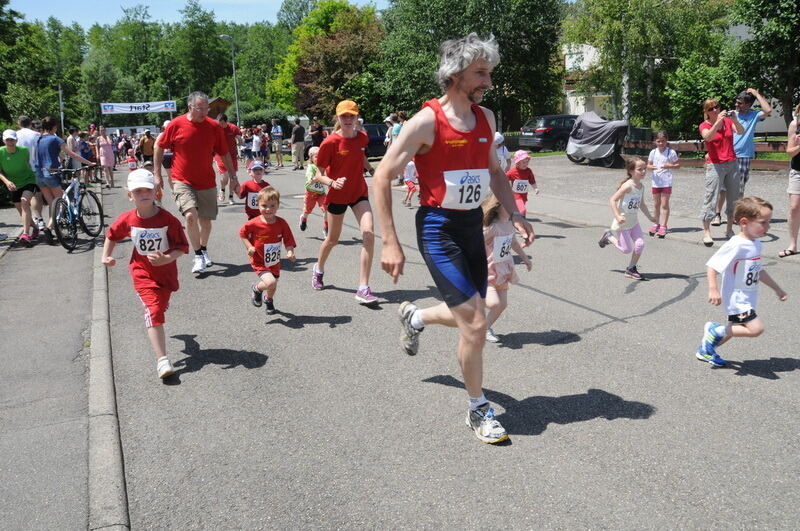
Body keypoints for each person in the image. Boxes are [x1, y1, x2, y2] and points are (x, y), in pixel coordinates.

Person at [373, 33, 535, 444]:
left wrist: (514, 213)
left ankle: (417, 316)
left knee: (472, 312)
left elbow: (496, 173)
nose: (489, 81)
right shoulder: (426, 121)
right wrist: (389, 241)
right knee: (477, 321)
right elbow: (381, 177)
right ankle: (478, 408)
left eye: (490, 73)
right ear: (455, 72)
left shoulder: (487, 118)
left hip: (471, 227)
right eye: (481, 72)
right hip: (437, 227)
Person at [102, 169, 189, 379]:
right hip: (142, 273)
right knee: (154, 311)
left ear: (156, 192)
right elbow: (111, 235)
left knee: (160, 305)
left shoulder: (168, 220)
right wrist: (106, 257)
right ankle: (162, 361)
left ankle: (175, 327)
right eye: (137, 190)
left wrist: (167, 259)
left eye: (147, 189)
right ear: (130, 195)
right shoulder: (128, 219)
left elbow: (182, 246)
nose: (143, 194)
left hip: (166, 275)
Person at [696, 196, 787, 367]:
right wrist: (713, 289)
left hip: (748, 297)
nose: (768, 226)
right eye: (763, 222)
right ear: (744, 222)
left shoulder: (756, 243)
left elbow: (758, 270)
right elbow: (712, 266)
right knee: (756, 329)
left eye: (769, 222)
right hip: (737, 299)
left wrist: (777, 289)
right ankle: (714, 330)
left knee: (732, 330)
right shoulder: (736, 244)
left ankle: (705, 350)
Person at [154, 91, 238, 274]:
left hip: (206, 181)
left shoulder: (214, 127)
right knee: (190, 216)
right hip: (181, 179)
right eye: (200, 108)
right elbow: (159, 147)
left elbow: (224, 152)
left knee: (206, 222)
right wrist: (157, 174)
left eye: (206, 108)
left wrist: (233, 176)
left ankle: (204, 249)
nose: (204, 112)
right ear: (190, 107)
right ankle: (198, 255)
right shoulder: (176, 124)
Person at [311, 99, 379, 304]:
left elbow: (361, 158)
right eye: (344, 116)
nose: (348, 119)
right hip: (337, 196)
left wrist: (373, 171)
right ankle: (318, 268)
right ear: (338, 118)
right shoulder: (330, 142)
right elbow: (317, 174)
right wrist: (332, 182)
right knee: (332, 239)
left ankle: (363, 288)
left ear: (357, 117)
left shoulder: (362, 138)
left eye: (352, 115)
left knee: (368, 234)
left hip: (359, 193)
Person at [713, 88, 772, 224]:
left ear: (748, 104)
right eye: (736, 102)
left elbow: (768, 111)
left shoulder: (754, 115)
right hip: (728, 154)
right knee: (722, 187)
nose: (736, 105)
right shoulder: (731, 115)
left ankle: (734, 215)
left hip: (744, 155)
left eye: (740, 103)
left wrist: (757, 94)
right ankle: (717, 214)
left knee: (739, 188)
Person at [239, 186, 297, 315]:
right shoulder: (253, 223)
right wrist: (249, 246)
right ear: (258, 205)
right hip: (259, 260)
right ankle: (256, 289)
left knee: (273, 285)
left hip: (274, 262)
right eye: (264, 205)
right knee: (270, 282)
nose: (268, 209)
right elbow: (242, 234)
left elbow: (288, 241)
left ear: (278, 206)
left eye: (272, 205)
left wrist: (290, 251)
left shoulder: (282, 223)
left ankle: (268, 299)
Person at [35, 116, 94, 241]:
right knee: (61, 202)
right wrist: (89, 163)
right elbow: (72, 154)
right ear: (54, 127)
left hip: (39, 174)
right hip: (51, 173)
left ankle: (54, 229)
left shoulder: (39, 139)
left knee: (53, 204)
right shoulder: (55, 139)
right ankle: (50, 228)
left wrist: (60, 157)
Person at [482, 195, 532, 343]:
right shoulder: (493, 227)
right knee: (493, 303)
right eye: (507, 205)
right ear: (497, 208)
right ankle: (473, 300)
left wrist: (525, 258)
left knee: (502, 304)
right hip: (489, 270)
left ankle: (484, 328)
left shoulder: (509, 224)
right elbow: (475, 240)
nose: (512, 208)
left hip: (503, 270)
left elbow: (513, 243)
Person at [598, 157, 657, 280]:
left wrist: (650, 217)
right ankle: (608, 237)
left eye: (645, 169)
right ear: (631, 171)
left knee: (640, 244)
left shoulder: (641, 186)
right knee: (626, 249)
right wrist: (618, 216)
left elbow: (641, 204)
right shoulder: (627, 186)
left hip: (634, 222)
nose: (643, 171)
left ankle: (631, 268)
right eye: (640, 169)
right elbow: (612, 200)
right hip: (623, 223)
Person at [699, 98, 744, 245]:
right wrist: (717, 122)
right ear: (706, 112)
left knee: (734, 198)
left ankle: (729, 229)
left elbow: (741, 131)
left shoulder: (728, 122)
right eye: (711, 109)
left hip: (732, 163)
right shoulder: (704, 125)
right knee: (711, 196)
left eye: (717, 107)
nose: (715, 110)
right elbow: (708, 137)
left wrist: (735, 120)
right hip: (715, 165)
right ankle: (706, 232)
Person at [0, 129, 39, 246]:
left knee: (24, 202)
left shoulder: (24, 151)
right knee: (21, 211)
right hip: (13, 184)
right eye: (8, 140)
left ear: (16, 140)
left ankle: (26, 234)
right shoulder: (0, 152)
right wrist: (7, 182)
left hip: (28, 181)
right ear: (3, 141)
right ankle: (36, 228)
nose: (10, 142)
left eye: (12, 140)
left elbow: (29, 163)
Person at [15, 115, 46, 234]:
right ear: (30, 124)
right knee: (36, 195)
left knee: (22, 201)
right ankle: (38, 219)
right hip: (35, 168)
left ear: (19, 123)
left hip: (19, 170)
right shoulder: (37, 135)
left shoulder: (14, 135)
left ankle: (31, 224)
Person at [646, 131, 680, 238]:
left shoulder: (671, 152)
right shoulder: (653, 152)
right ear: (655, 142)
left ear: (666, 141)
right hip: (656, 181)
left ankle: (664, 226)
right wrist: (652, 167)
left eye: (663, 141)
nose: (661, 143)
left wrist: (670, 166)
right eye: (658, 141)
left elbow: (678, 165)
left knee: (664, 204)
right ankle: (656, 224)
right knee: (656, 204)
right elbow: (648, 165)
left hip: (666, 182)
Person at [779, 104, 800, 258]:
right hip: (797, 172)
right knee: (794, 208)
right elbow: (790, 152)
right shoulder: (795, 124)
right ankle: (792, 244)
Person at [299, 146, 329, 236]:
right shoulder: (311, 167)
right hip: (311, 193)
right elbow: (310, 179)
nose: (318, 158)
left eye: (320, 156)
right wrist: (315, 178)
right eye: (316, 156)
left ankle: (326, 227)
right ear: (311, 158)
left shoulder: (323, 167)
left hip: (321, 193)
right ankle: (303, 219)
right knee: (307, 210)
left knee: (326, 209)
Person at [213, 113, 242, 205]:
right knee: (225, 176)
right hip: (220, 156)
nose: (220, 125)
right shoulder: (216, 128)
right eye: (218, 123)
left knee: (232, 178)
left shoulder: (233, 128)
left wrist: (239, 140)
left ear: (226, 122)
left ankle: (231, 197)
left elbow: (239, 138)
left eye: (221, 123)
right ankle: (222, 189)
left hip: (232, 156)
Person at [507, 150, 539, 215]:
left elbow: (532, 181)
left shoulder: (528, 171)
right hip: (516, 195)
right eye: (523, 162)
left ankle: (515, 218)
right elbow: (504, 178)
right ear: (517, 163)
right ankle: (520, 220)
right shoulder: (512, 172)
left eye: (527, 162)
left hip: (524, 195)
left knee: (520, 209)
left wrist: (535, 188)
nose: (526, 164)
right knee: (522, 209)